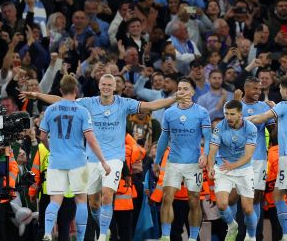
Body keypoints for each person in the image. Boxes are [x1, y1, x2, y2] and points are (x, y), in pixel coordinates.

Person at [21, 73, 186, 241]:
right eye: (103, 84)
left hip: (113, 158)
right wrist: (36, 95)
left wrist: (173, 99)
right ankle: (103, 227)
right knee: (93, 203)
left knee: (107, 194)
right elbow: (62, 101)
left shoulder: (124, 103)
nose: (106, 87)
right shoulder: (88, 103)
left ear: (115, 88)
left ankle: (101, 236)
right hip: (91, 159)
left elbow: (151, 106)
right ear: (99, 86)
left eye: (109, 84)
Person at [38, 74, 111, 241]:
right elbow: (91, 139)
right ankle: (79, 238)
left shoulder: (50, 109)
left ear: (61, 90)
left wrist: (52, 150)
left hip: (56, 162)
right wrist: (103, 162)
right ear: (76, 91)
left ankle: (48, 232)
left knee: (55, 200)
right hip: (78, 161)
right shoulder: (82, 111)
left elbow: (42, 137)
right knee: (80, 200)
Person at [246, 75, 287, 241]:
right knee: (277, 194)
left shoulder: (285, 105)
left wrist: (241, 120)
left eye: (280, 88)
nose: (279, 91)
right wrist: (277, 110)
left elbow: (260, 118)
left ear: (285, 89)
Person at [154, 77, 211, 241]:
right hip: (173, 163)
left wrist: (205, 154)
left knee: (194, 201)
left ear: (192, 92)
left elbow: (207, 137)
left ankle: (193, 238)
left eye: (185, 89)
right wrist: (157, 160)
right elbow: (164, 138)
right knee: (167, 198)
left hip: (194, 163)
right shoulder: (170, 112)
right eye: (179, 88)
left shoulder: (201, 112)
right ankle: (165, 236)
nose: (181, 91)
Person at [207, 99, 258, 241]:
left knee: (248, 209)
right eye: (226, 114)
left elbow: (248, 156)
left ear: (240, 114)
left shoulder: (251, 128)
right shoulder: (219, 127)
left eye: (232, 114)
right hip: (224, 168)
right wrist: (210, 166)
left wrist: (233, 166)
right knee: (222, 204)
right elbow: (212, 151)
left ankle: (251, 236)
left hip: (244, 169)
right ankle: (232, 225)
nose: (228, 117)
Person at [234, 76, 275, 239]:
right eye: (255, 89)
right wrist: (236, 104)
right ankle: (239, 234)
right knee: (236, 198)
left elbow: (273, 134)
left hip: (258, 158)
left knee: (256, 198)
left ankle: (255, 235)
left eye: (260, 89)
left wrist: (277, 115)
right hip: (237, 158)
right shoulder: (233, 105)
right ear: (245, 89)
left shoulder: (264, 107)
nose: (258, 92)